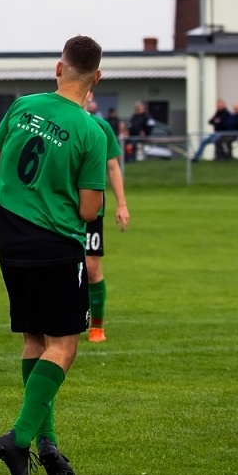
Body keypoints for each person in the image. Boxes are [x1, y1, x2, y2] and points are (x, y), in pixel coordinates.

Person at [0, 35, 108, 475]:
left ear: (59, 68)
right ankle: (19, 437)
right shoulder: (92, 131)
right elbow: (91, 211)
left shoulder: (23, 106)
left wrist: (28, 188)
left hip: (9, 239)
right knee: (65, 344)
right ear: (97, 77)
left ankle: (45, 444)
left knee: (36, 338)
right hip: (55, 244)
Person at [83, 97, 130, 343]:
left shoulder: (102, 127)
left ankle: (97, 326)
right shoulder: (60, 122)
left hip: (91, 210)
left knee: (91, 266)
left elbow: (113, 167)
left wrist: (121, 204)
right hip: (60, 209)